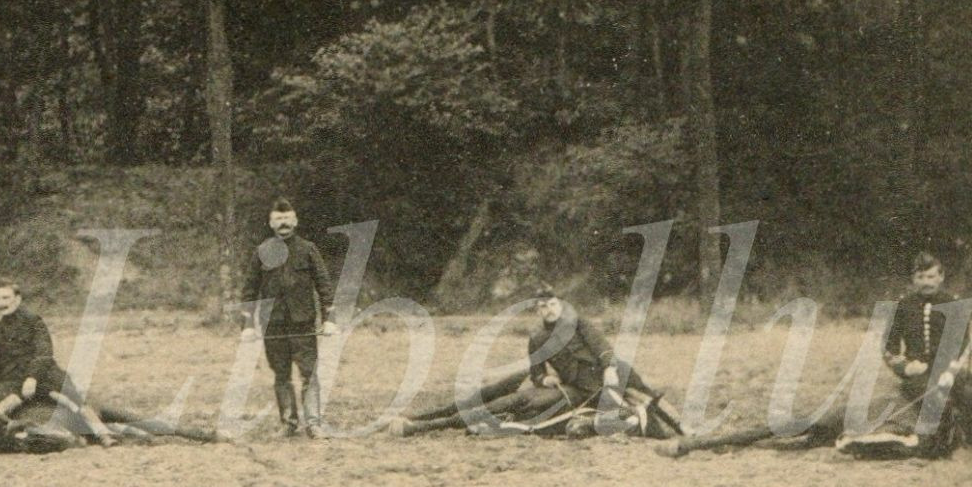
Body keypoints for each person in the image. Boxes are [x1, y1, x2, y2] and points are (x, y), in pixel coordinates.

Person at [393, 289, 680, 439]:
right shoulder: (538, 337)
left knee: (644, 397)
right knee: (503, 396)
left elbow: (603, 347)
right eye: (543, 306)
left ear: (561, 305)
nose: (548, 309)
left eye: (552, 304)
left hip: (599, 388)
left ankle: (684, 429)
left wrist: (609, 370)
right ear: (538, 310)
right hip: (572, 389)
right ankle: (422, 421)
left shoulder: (579, 324)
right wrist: (545, 380)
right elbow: (537, 371)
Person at [0, 280, 116, 451]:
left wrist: (32, 377)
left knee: (72, 401)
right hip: (15, 378)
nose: (1, 303)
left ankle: (104, 435)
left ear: (17, 299)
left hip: (45, 374)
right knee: (2, 406)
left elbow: (44, 353)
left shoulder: (33, 321)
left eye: (6, 298)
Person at [880, 251, 972, 457]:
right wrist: (905, 367)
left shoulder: (955, 305)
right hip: (918, 373)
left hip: (949, 370)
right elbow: (888, 347)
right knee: (932, 398)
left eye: (930, 277)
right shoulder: (903, 306)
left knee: (968, 395)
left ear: (941, 277)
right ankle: (940, 445)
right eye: (920, 278)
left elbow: (963, 345)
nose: (926, 282)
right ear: (913, 279)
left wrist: (951, 371)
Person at [240, 199, 337, 438]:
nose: (283, 223)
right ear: (271, 223)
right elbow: (249, 290)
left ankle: (313, 423)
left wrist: (329, 319)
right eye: (278, 219)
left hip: (303, 323)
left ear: (295, 221)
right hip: (273, 324)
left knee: (308, 373)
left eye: (287, 219)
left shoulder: (308, 249)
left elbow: (324, 286)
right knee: (281, 374)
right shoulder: (261, 251)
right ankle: (288, 423)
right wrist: (247, 325)